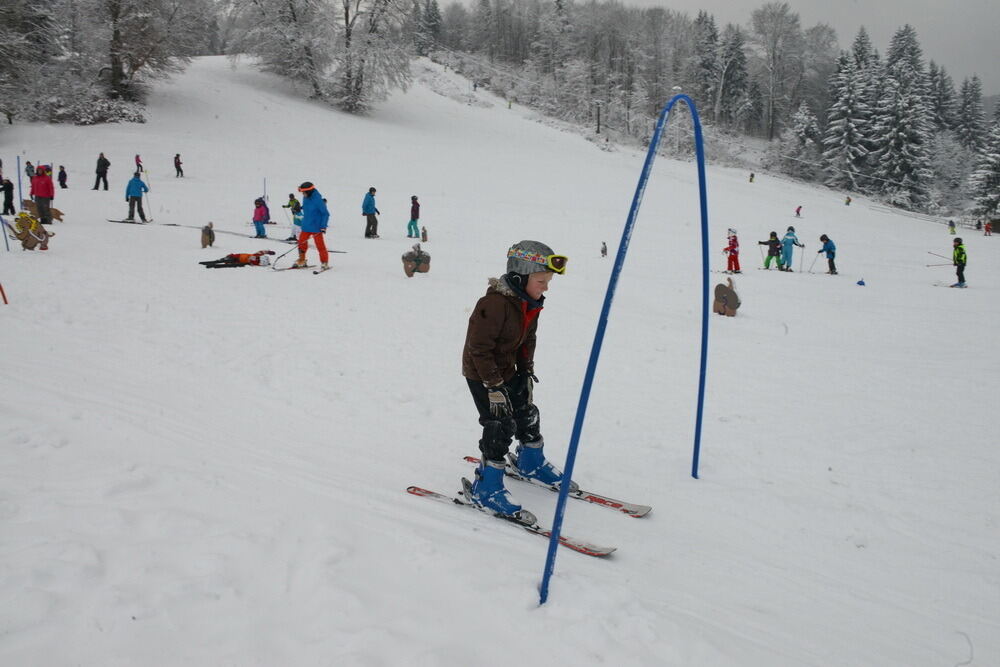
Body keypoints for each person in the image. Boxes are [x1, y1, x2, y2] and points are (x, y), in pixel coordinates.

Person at [461, 240, 570, 519]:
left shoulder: (528, 303)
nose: (546, 287)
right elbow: (478, 349)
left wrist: (526, 371)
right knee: (500, 423)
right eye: (542, 280)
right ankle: (487, 487)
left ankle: (530, 462)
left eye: (548, 281)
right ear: (521, 277)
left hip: (508, 370)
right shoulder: (493, 305)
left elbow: (526, 340)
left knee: (526, 411)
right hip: (483, 374)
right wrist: (494, 386)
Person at [295, 181, 330, 269]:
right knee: (301, 243)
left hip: (316, 227)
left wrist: (323, 226)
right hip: (306, 225)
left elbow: (325, 214)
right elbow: (308, 207)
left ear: (309, 191)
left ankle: (324, 262)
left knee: (320, 246)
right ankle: (302, 260)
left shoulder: (318, 200)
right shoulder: (306, 197)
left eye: (304, 192)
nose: (303, 194)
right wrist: (300, 208)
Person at [200, 250, 276, 269]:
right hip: (237, 257)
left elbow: (252, 262)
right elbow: (262, 251)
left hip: (241, 261)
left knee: (232, 263)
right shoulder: (257, 255)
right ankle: (219, 261)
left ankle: (219, 263)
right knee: (228, 260)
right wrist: (268, 252)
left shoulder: (257, 261)